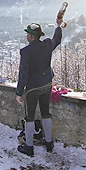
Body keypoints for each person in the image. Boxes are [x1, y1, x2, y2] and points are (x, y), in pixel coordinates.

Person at [15, 20, 62, 157]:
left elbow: (23, 74)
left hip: (32, 88)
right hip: (47, 85)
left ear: (30, 36)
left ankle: (29, 147)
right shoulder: (47, 45)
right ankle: (48, 143)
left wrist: (19, 92)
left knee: (29, 116)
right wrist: (58, 26)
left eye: (28, 34)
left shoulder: (26, 51)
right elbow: (57, 39)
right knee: (45, 113)